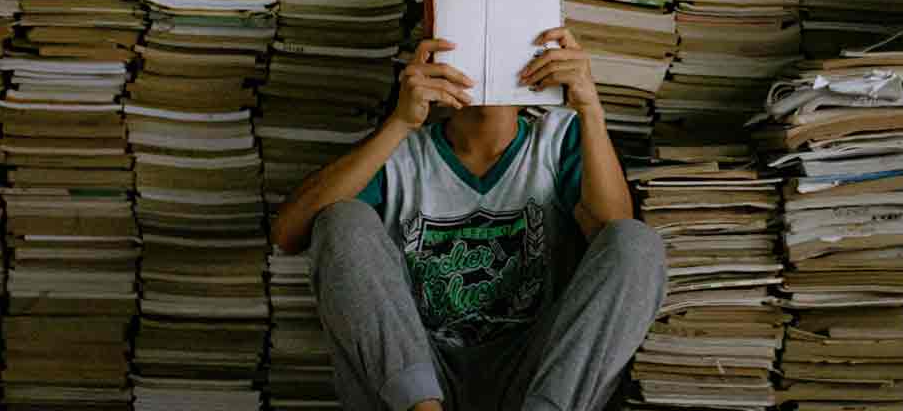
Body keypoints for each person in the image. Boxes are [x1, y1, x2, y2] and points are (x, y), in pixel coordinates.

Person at [272, 27, 667, 411]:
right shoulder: (400, 153)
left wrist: (589, 108)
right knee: (342, 219)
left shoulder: (558, 139)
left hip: (535, 374)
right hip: (417, 375)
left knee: (637, 241)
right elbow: (290, 234)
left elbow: (615, 244)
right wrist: (400, 122)